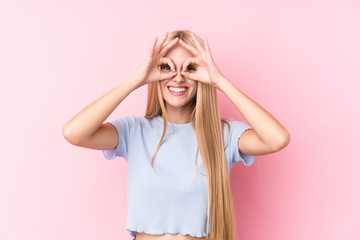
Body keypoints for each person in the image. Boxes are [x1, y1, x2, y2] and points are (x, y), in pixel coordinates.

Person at [62, 30, 290, 240]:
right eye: (166, 67)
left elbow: (277, 139)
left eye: (190, 68)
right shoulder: (133, 131)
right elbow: (74, 133)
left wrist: (219, 81)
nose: (178, 77)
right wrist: (136, 80)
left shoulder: (224, 135)